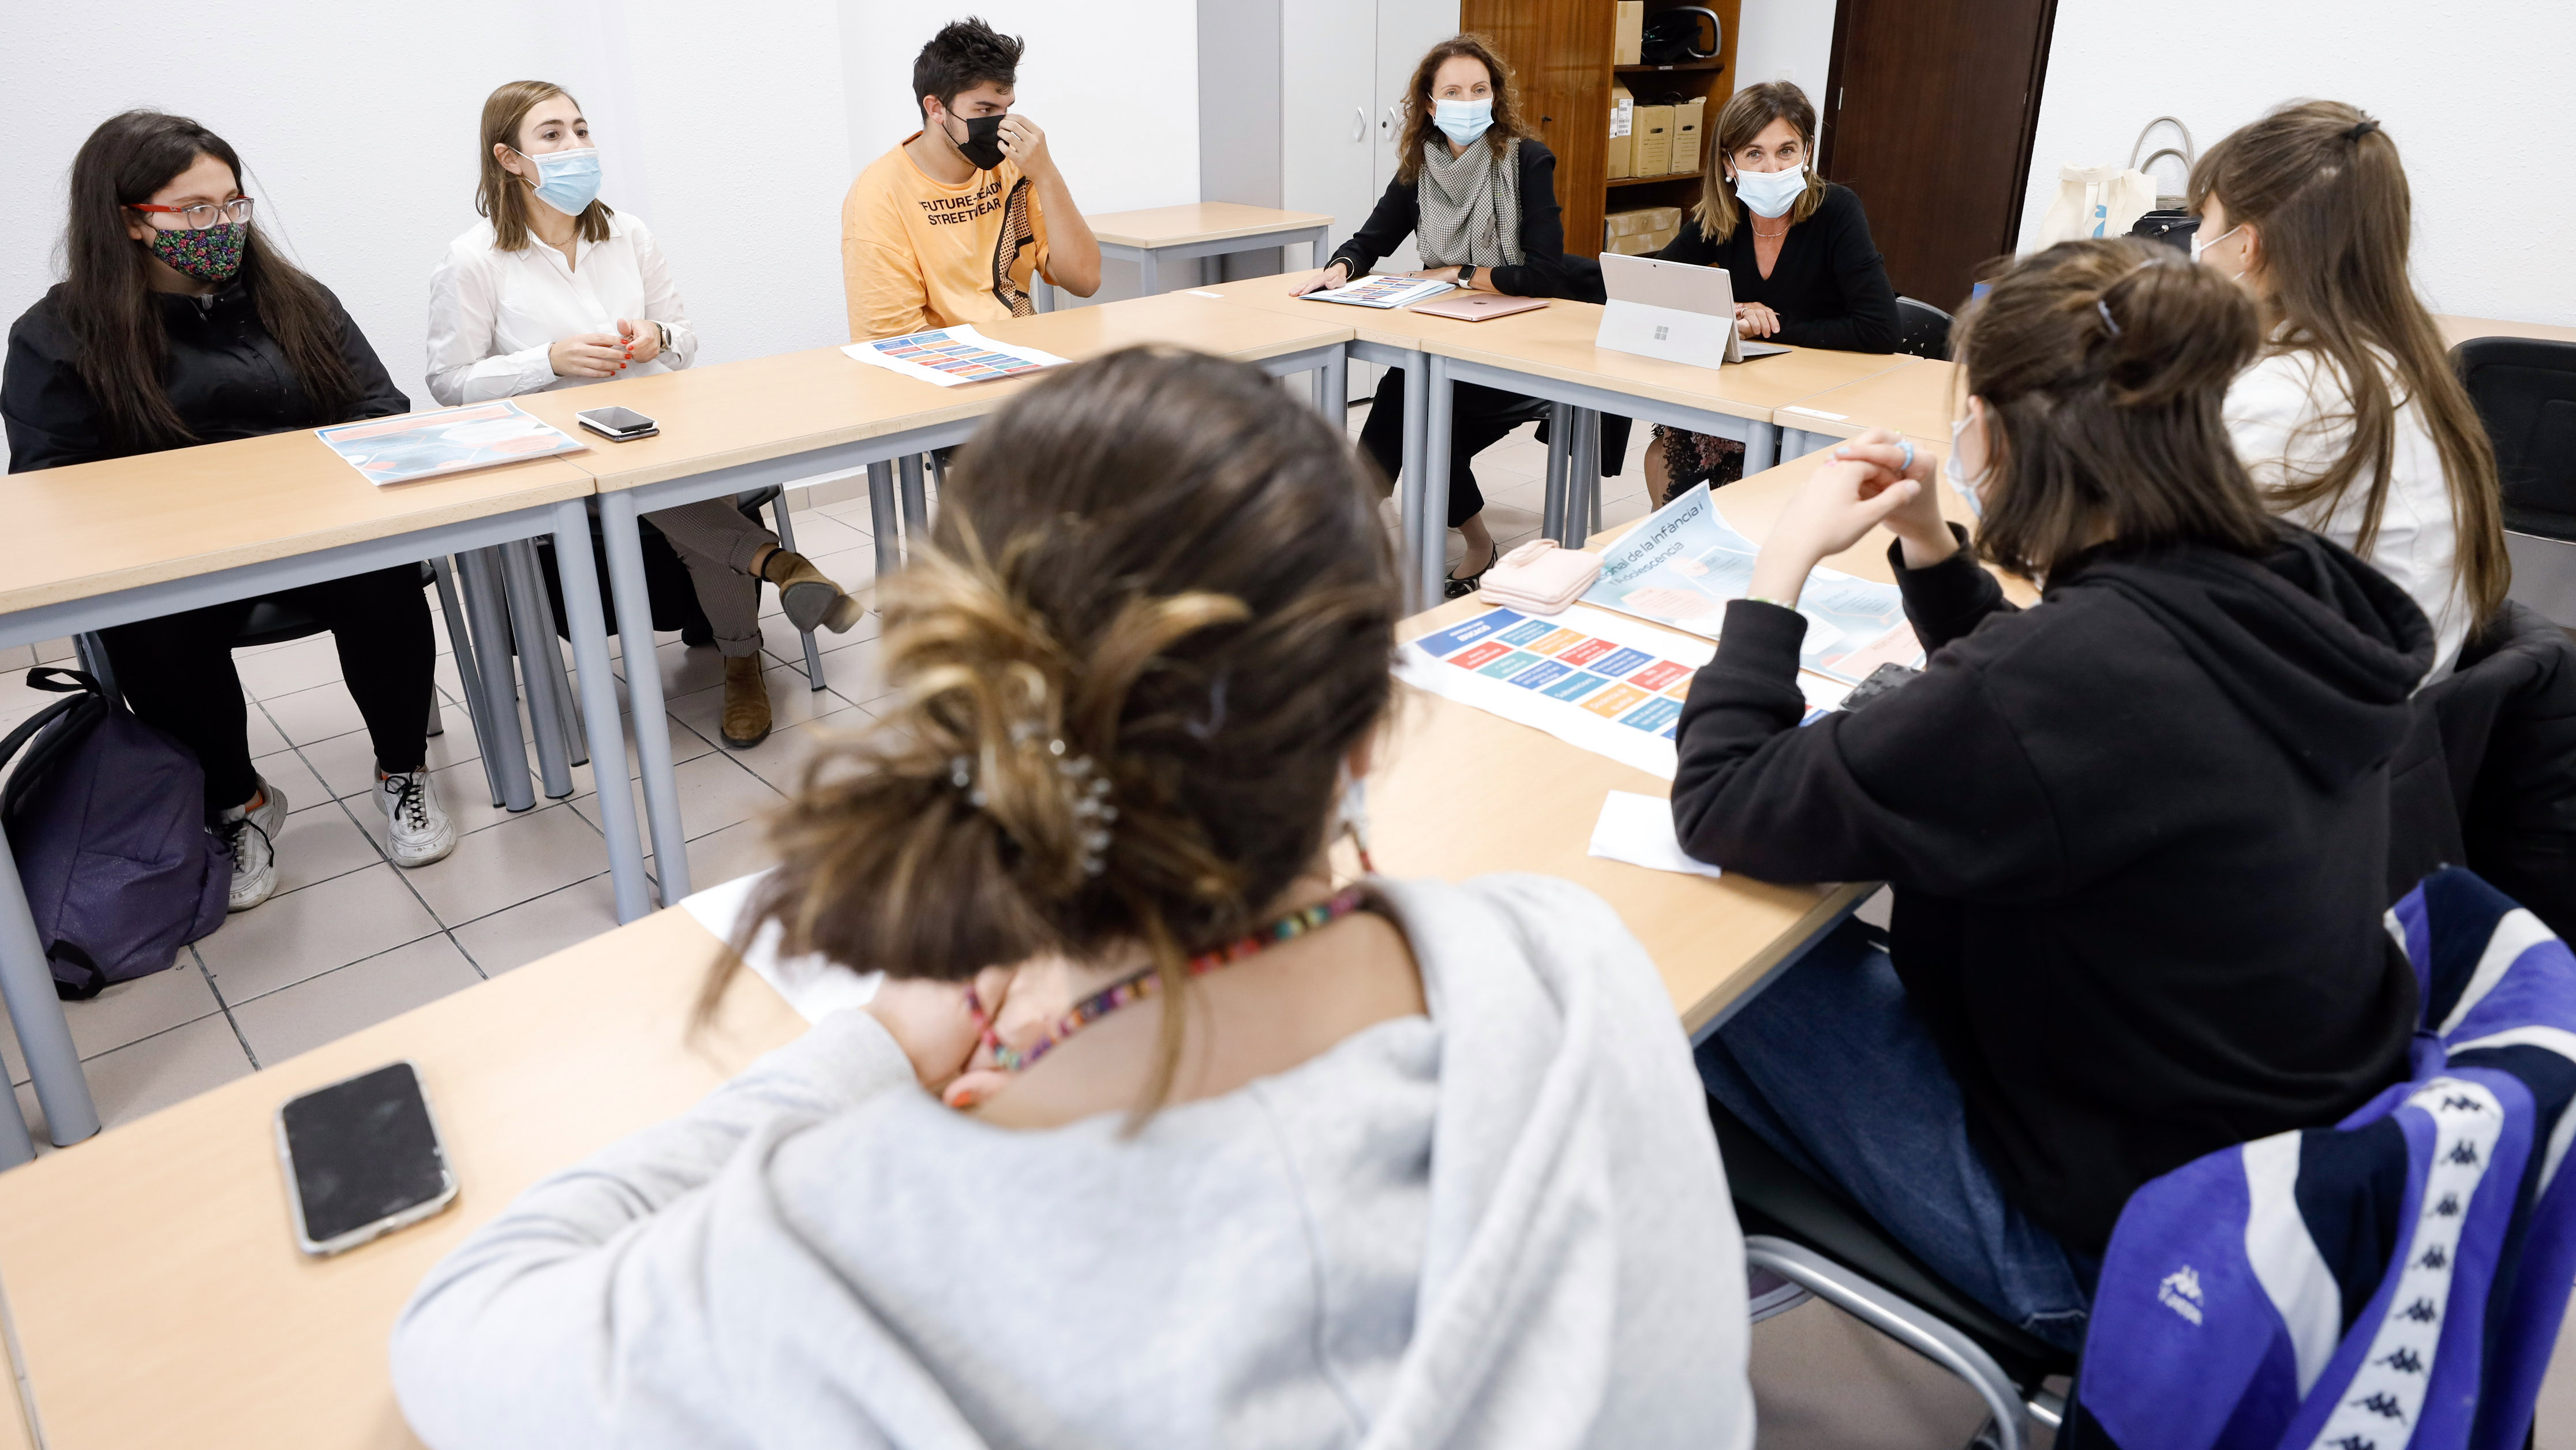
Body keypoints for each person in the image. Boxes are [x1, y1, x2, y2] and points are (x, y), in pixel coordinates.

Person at [390, 347, 1753, 1449]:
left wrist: (876, 1051)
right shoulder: (1567, 960)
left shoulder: (847, 1246)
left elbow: (461, 1330)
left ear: (969, 703)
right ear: (1361, 732)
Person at [1668, 239, 2424, 1350]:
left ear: (2000, 427)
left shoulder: (2073, 679)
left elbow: (1725, 801)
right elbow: (2061, 706)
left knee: (1679, 954)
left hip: (2110, 1250)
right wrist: (1930, 549)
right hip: (2266, 1180)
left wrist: (1773, 572)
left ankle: (1675, 1258)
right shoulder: (2273, 584)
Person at [3, 111, 458, 902]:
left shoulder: (295, 301)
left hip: (316, 536)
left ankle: (402, 770)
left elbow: (380, 409)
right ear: (130, 224)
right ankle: (239, 803)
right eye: (196, 210)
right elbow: (50, 481)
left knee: (381, 578)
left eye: (233, 203)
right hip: (175, 559)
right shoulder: (59, 334)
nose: (222, 226)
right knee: (149, 620)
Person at [426, 80, 862, 750]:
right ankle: (768, 586)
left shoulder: (626, 233)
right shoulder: (473, 259)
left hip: (657, 423)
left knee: (684, 476)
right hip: (561, 446)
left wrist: (660, 338)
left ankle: (747, 654)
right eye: (553, 135)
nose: (576, 146)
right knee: (677, 488)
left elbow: (685, 337)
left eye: (580, 129)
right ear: (509, 158)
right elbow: (448, 382)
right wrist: (549, 360)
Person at [2189, 99, 2507, 677]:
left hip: (2317, 723)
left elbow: (2159, 579)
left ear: (2246, 244)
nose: (2198, 246)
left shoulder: (2291, 397)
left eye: (2202, 222)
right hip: (2391, 703)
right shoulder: (2396, 363)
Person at [1324, 35, 1610, 597]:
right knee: (1411, 394)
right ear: (1431, 105)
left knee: (1418, 405)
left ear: (1496, 98)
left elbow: (1545, 274)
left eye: (1479, 89)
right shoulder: (1420, 168)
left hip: (1527, 346)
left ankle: (1378, 533)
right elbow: (1372, 239)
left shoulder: (1526, 161)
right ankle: (1359, 526)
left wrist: (1455, 274)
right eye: (1452, 91)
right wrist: (1340, 267)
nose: (1467, 100)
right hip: (1455, 338)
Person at [1644, 81, 1900, 505]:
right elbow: (1657, 285)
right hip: (1751, 389)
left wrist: (1767, 328)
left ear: (1807, 153)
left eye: (1786, 150)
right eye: (1753, 153)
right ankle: (1685, 559)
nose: (1772, 169)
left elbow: (1880, 329)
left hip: (1825, 394)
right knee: (1664, 454)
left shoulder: (1837, 209)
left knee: (1709, 470)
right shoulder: (1724, 214)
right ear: (1729, 163)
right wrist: (1738, 309)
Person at [841, 17, 1102, 340]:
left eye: (1005, 109)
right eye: (984, 110)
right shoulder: (880, 194)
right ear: (936, 109)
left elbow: (1085, 281)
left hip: (1027, 355)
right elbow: (894, 339)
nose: (1000, 125)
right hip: (948, 372)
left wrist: (1046, 174)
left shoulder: (1015, 167)